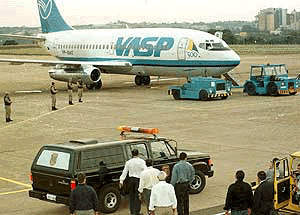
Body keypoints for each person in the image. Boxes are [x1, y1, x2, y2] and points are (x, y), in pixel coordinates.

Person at [119, 149, 147, 215]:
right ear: (138, 154)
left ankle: (132, 211)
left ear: (132, 154)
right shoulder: (141, 161)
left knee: (131, 196)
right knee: (138, 196)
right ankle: (137, 211)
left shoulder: (128, 162)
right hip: (138, 179)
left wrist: (121, 180)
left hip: (131, 180)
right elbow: (145, 170)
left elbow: (125, 172)